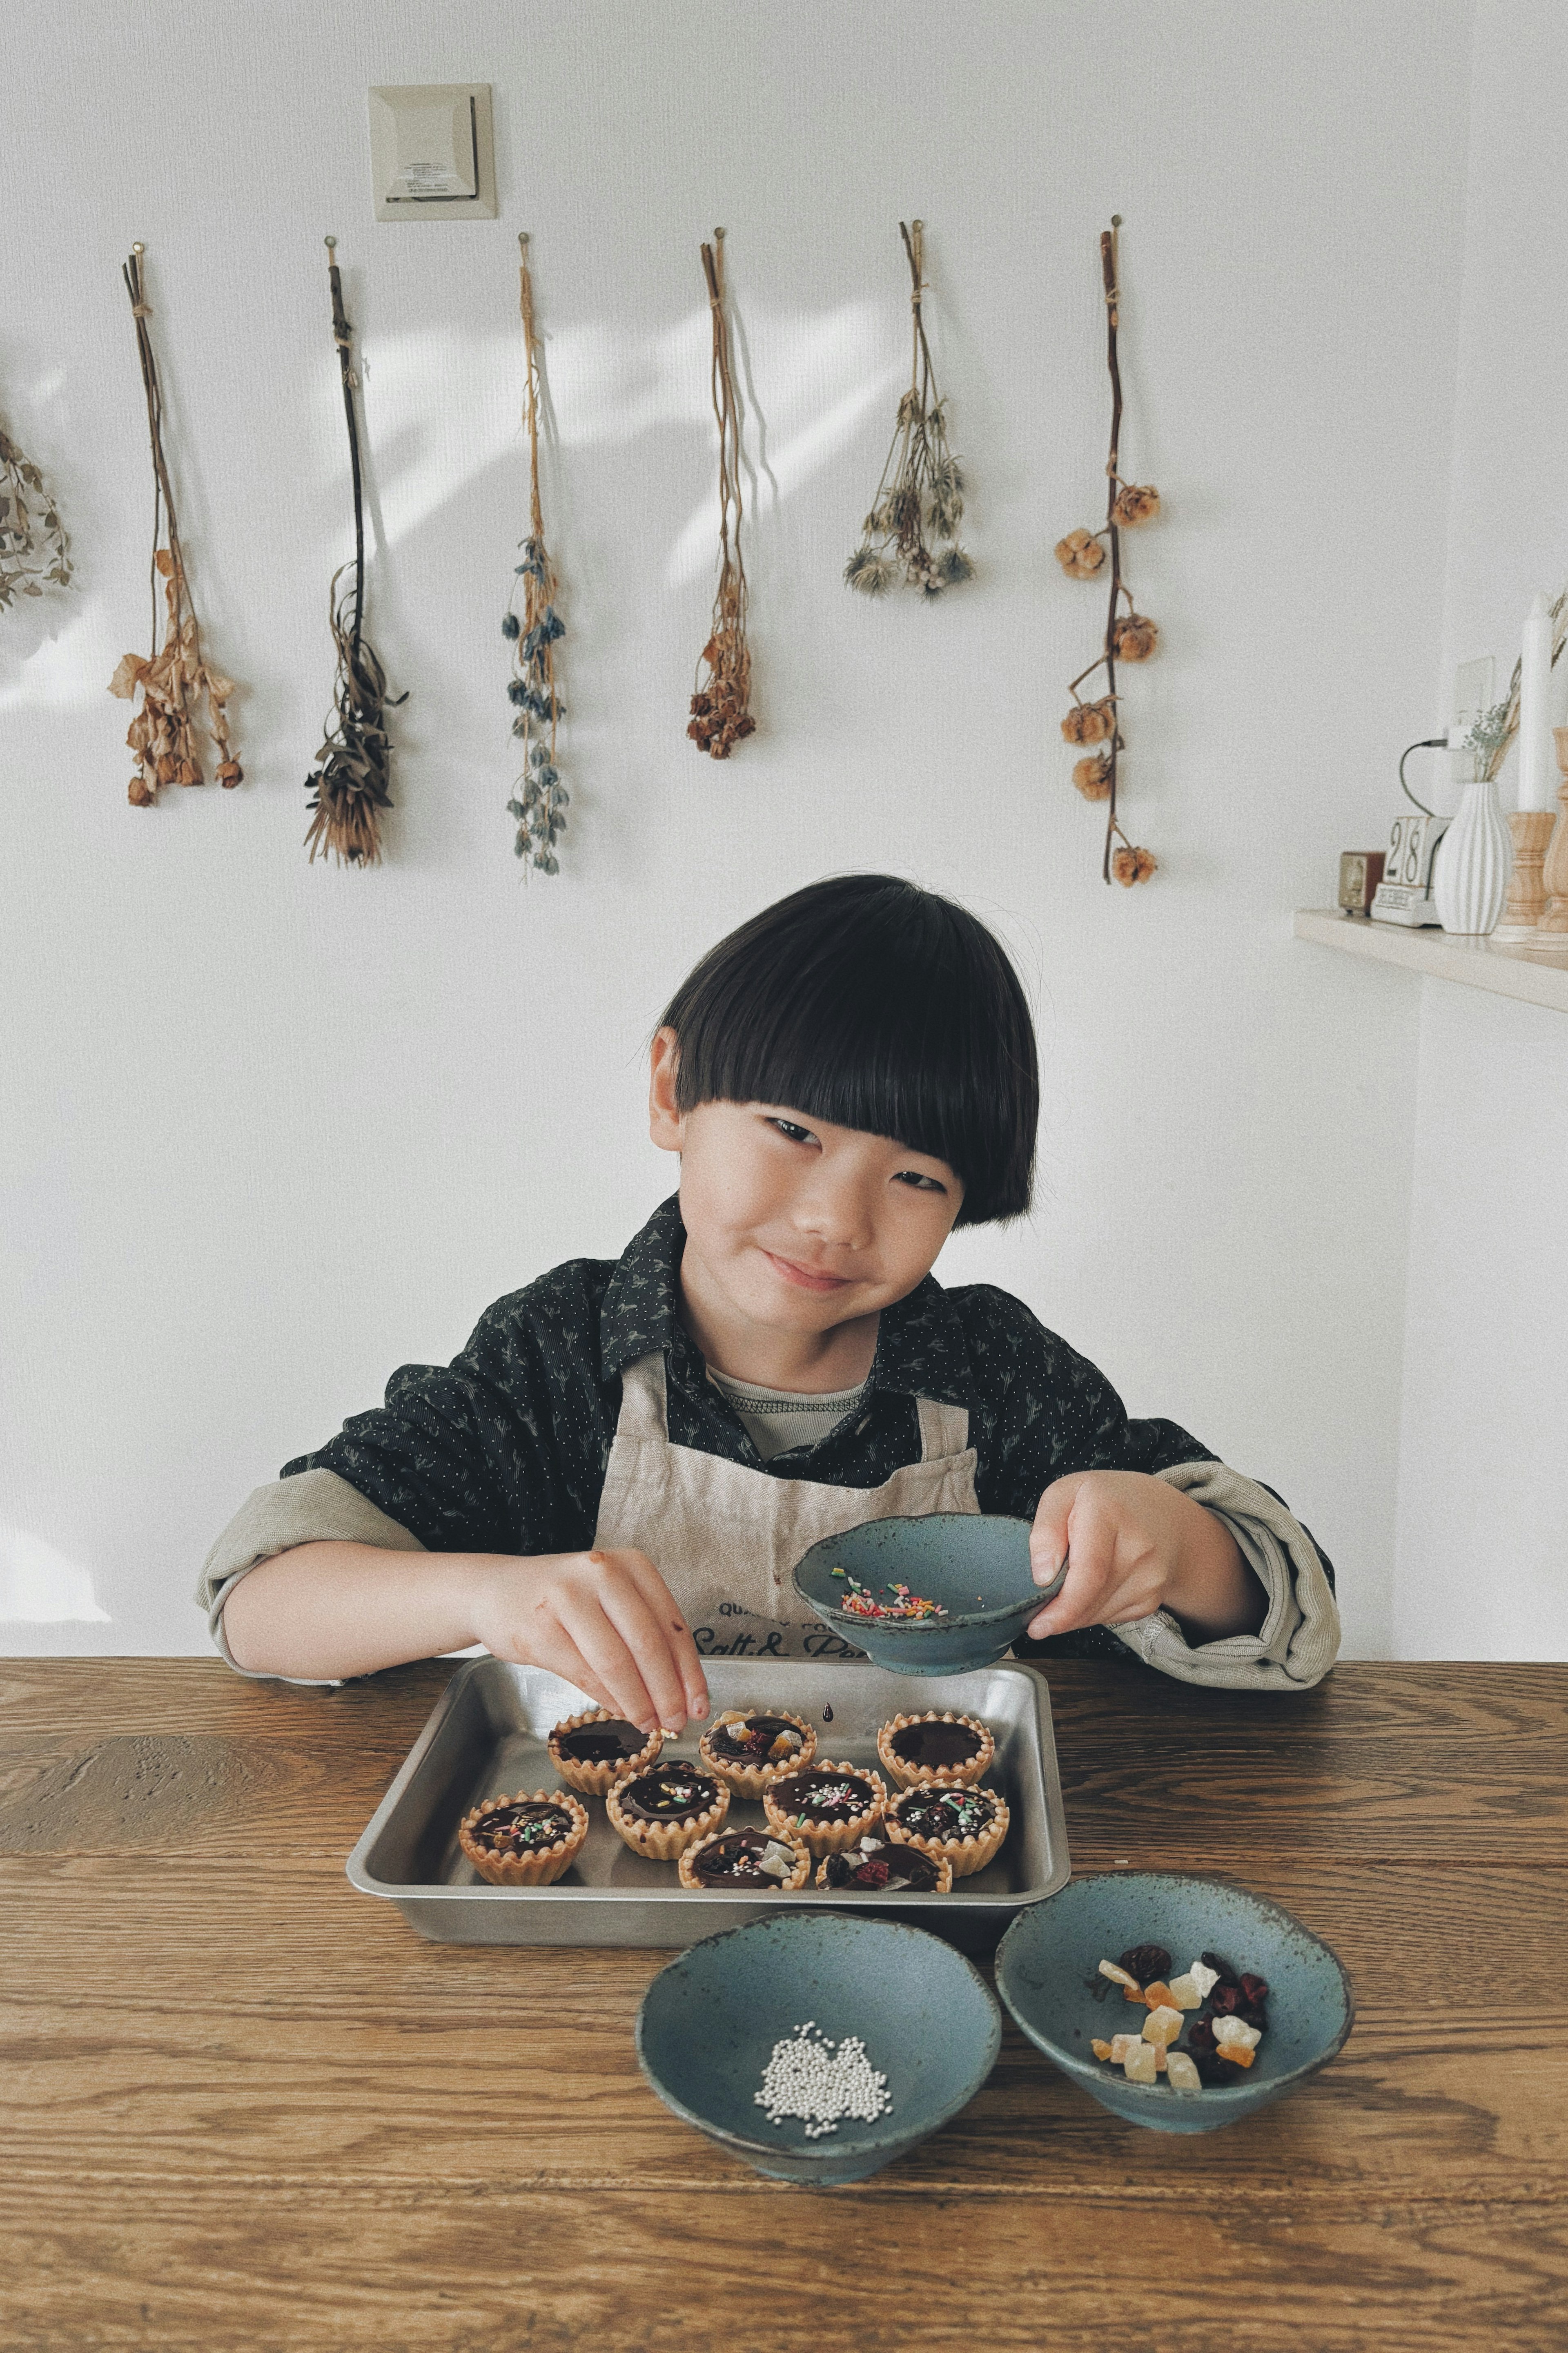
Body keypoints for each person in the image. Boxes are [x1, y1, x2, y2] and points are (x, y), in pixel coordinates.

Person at [200, 874, 1339, 1728]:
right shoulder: (557, 1360)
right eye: (794, 1131)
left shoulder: (997, 1374)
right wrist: (487, 1595)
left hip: (934, 1878)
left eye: (917, 1177)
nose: (838, 1218)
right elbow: (261, 1597)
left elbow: (1285, 1606)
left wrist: (1173, 1545)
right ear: (670, 1090)